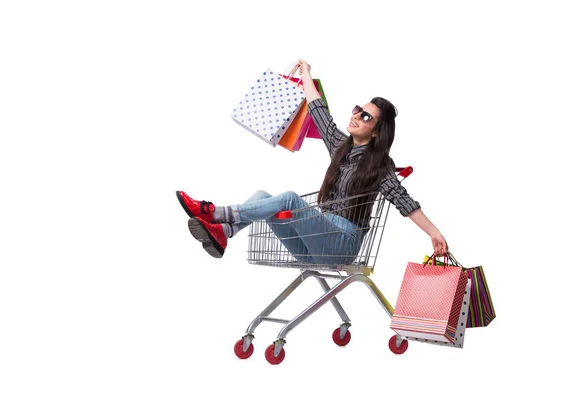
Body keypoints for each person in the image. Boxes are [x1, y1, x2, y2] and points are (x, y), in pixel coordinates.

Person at [176, 60, 449, 262]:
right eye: (358, 110)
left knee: (290, 199)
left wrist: (434, 233)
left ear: (377, 131)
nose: (356, 116)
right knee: (262, 195)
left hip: (341, 245)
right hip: (315, 242)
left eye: (366, 117)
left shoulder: (380, 166)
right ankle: (224, 231)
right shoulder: (340, 146)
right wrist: (307, 73)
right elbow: (318, 110)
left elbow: (404, 202)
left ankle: (219, 215)